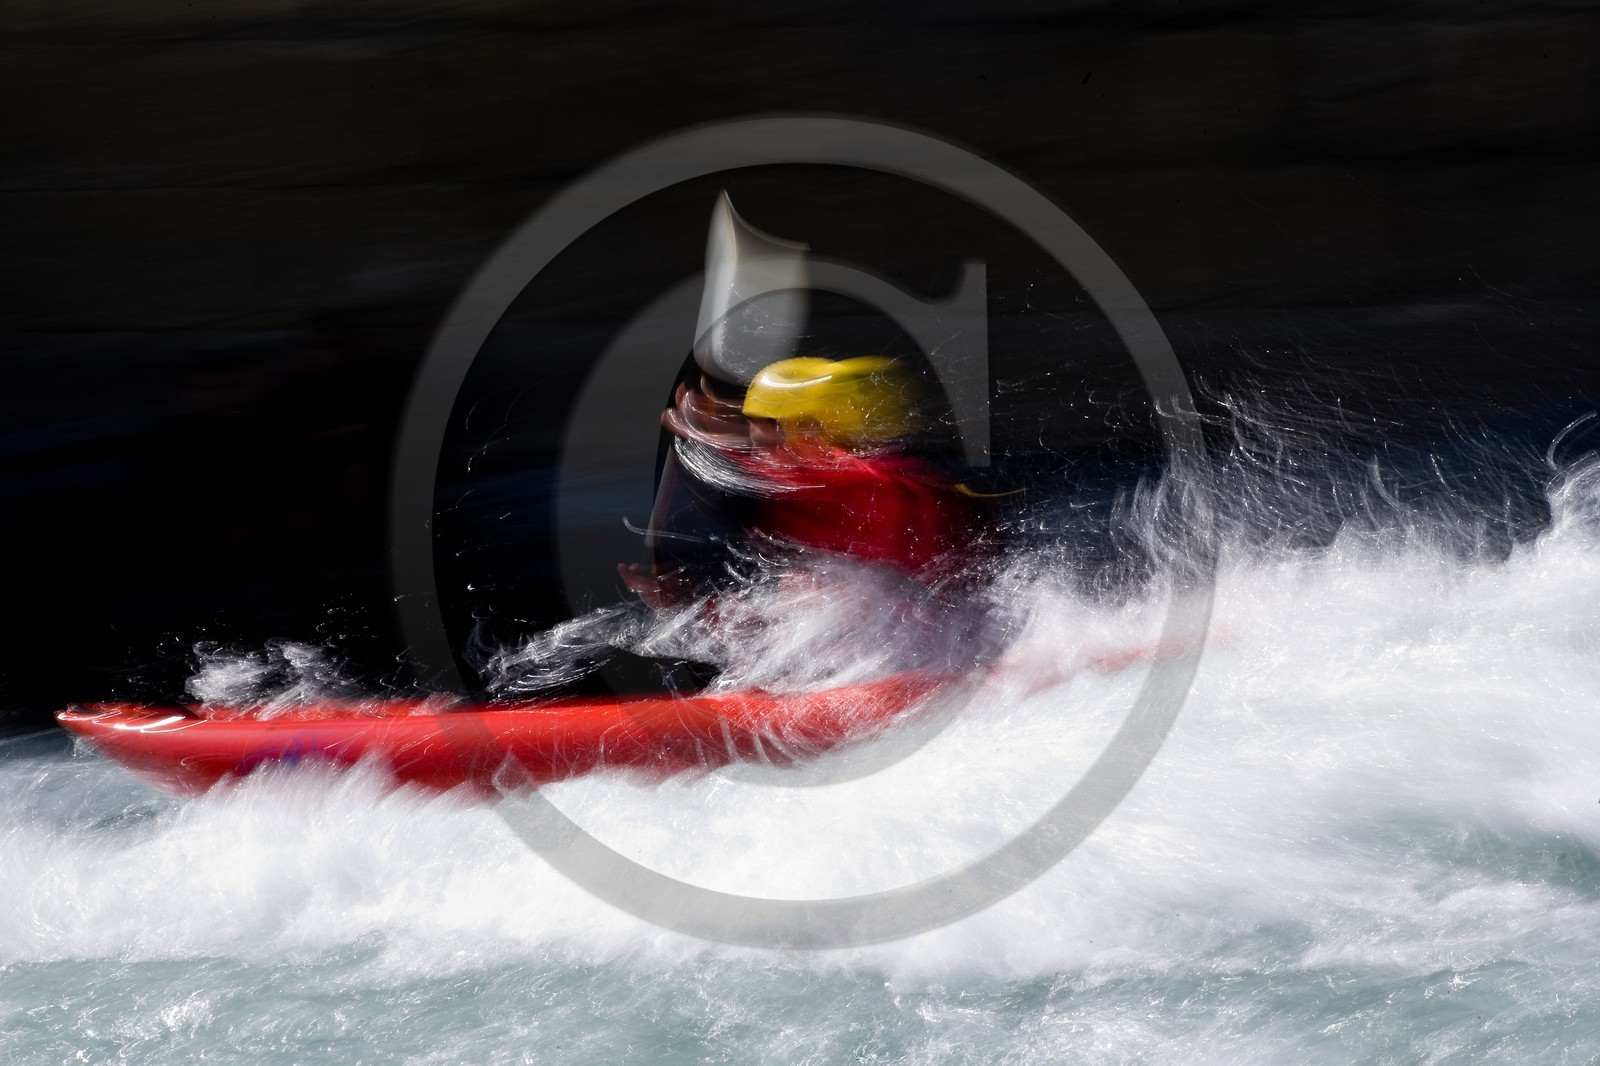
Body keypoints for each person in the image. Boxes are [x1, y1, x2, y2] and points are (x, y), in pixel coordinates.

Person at [620, 356, 985, 609]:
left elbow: (734, 498)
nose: (753, 439)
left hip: (942, 661)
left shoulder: (866, 492)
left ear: (809, 430)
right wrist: (690, 605)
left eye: (763, 423)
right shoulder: (884, 478)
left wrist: (697, 438)